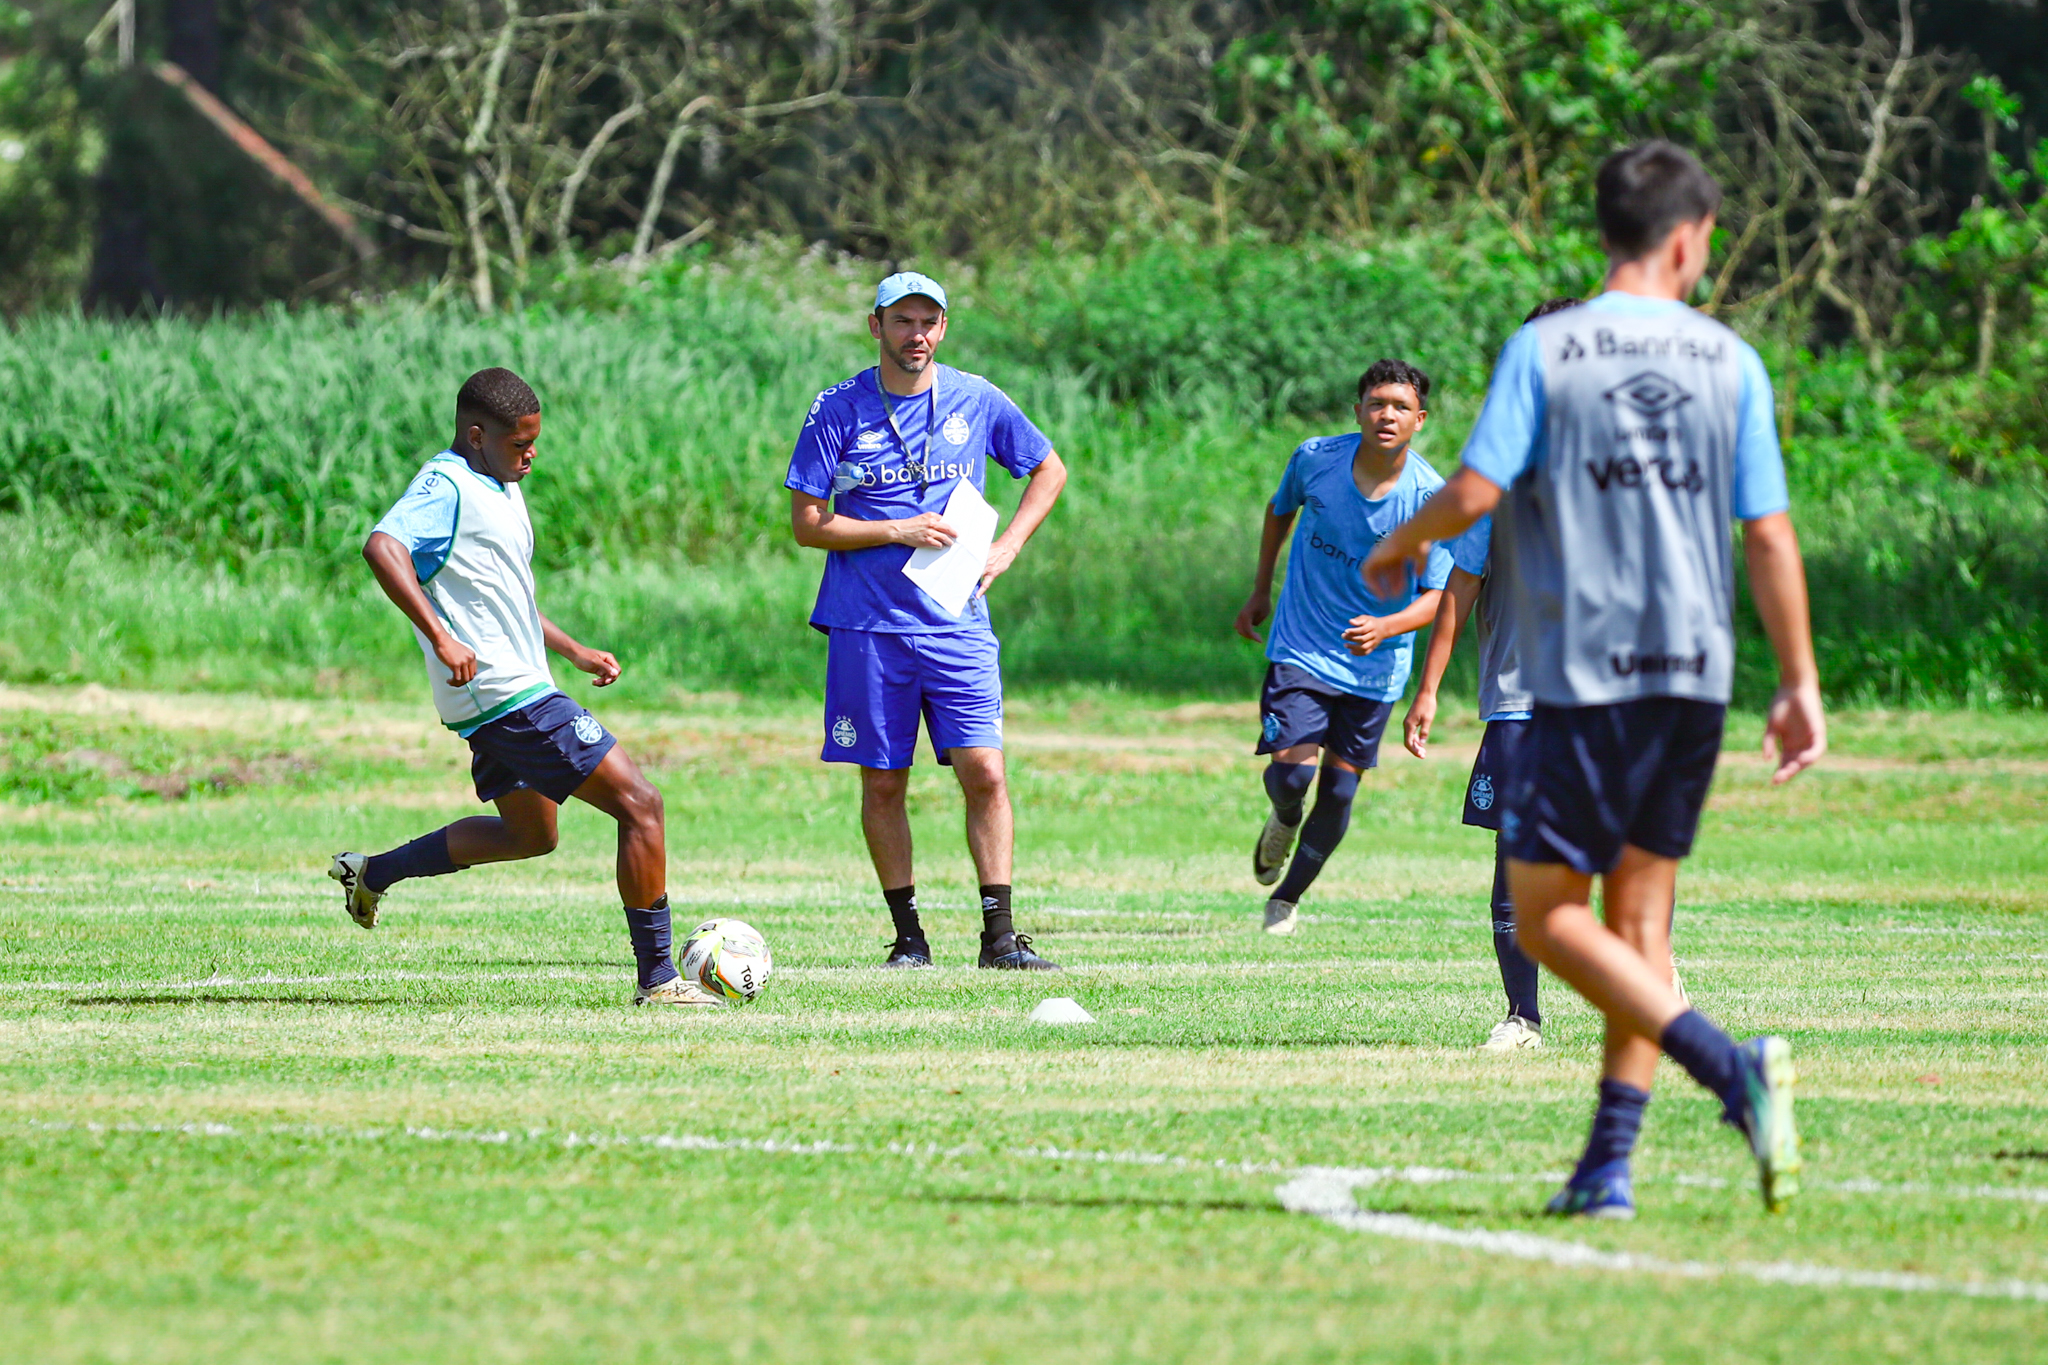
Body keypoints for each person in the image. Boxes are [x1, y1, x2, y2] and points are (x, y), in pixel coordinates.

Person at [1364, 141, 1825, 1219]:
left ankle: (1728, 1068)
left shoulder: (1548, 349)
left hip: (1583, 677)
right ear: (1685, 236)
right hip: (1691, 680)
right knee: (1640, 931)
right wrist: (1796, 678)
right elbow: (1766, 535)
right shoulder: (1730, 361)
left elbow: (1474, 489)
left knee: (1539, 917)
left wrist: (1401, 548)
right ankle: (1604, 1169)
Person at [328, 368, 712, 1007]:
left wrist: (573, 649)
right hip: (505, 695)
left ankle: (374, 873)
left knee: (532, 836)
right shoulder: (446, 483)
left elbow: (501, 597)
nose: (531, 456)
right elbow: (382, 547)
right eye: (519, 445)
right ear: (477, 435)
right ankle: (659, 980)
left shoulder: (500, 483)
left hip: (512, 688)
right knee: (641, 806)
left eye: (536, 443)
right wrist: (443, 638)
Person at [785, 272, 1069, 970]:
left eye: (929, 322)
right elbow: (808, 525)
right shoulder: (837, 409)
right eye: (903, 321)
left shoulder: (976, 397)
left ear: (943, 329)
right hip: (868, 625)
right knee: (883, 780)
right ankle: (909, 938)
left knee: (986, 771)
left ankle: (1000, 937)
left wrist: (1007, 548)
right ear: (875, 325)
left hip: (957, 620)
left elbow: (1049, 469)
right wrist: (895, 531)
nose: (917, 335)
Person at [1233, 359, 1452, 937]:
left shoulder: (1431, 499)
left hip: (1374, 666)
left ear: (1419, 420)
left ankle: (1286, 899)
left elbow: (1440, 597)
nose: (1387, 415)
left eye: (1400, 407)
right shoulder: (1314, 459)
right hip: (1302, 644)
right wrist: (1260, 590)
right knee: (1293, 779)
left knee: (1340, 788)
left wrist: (1388, 626)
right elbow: (1279, 511)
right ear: (1357, 411)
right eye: (1377, 403)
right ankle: (1282, 818)